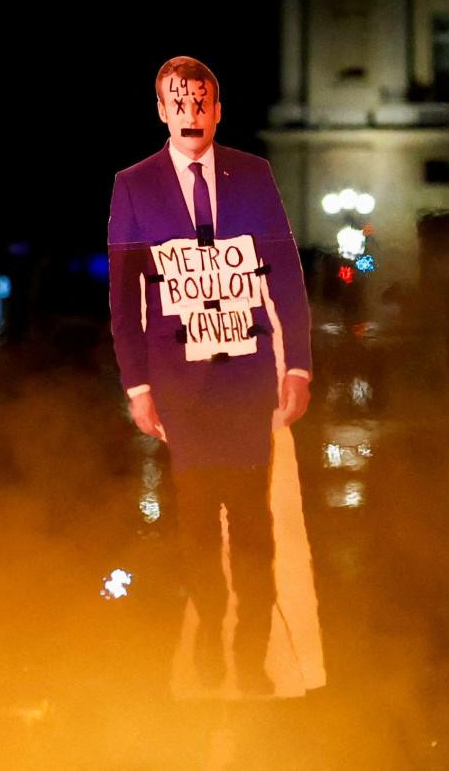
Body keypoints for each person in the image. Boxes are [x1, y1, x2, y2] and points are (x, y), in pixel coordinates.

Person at [107, 56, 312, 694]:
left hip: (248, 381)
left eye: (202, 102)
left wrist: (298, 364)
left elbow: (286, 277)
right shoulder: (134, 185)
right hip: (181, 391)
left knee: (253, 531)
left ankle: (250, 662)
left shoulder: (253, 175)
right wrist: (138, 386)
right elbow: (122, 297)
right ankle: (206, 646)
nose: (191, 112)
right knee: (197, 530)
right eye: (179, 101)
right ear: (161, 110)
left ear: (218, 109)